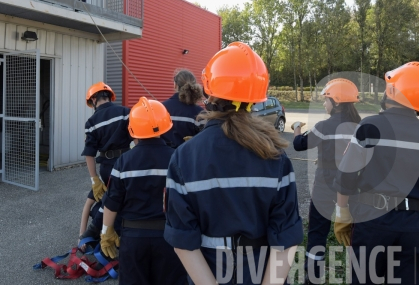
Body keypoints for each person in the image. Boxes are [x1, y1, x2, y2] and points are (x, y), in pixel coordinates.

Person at [164, 41, 303, 285]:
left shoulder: (184, 157)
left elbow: (184, 244)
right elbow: (285, 242)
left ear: (209, 91)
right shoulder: (276, 156)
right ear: (256, 97)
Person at [333, 62, 419, 284]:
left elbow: (347, 175)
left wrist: (342, 212)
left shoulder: (369, 127)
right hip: (415, 228)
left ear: (392, 92)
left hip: (372, 222)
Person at [100, 97, 187, 285]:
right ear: (166, 126)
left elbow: (112, 201)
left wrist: (106, 232)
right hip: (170, 239)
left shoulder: (123, 162)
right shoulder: (178, 160)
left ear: (133, 131)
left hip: (133, 241)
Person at [292, 78, 361, 284]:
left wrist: (296, 127)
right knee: (353, 232)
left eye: (327, 99)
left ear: (337, 102)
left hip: (324, 184)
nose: (324, 103)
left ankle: (312, 277)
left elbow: (298, 144)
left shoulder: (323, 126)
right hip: (352, 185)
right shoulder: (359, 126)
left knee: (317, 232)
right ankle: (358, 274)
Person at [82, 82, 131, 236]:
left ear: (94, 100)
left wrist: (94, 179)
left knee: (111, 200)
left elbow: (89, 153)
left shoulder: (91, 123)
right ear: (109, 96)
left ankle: (100, 233)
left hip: (107, 168)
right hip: (127, 163)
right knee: (129, 199)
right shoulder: (125, 112)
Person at [161, 69, 204, 148]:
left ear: (175, 85)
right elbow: (203, 142)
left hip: (162, 158)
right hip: (188, 158)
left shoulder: (160, 109)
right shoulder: (200, 113)